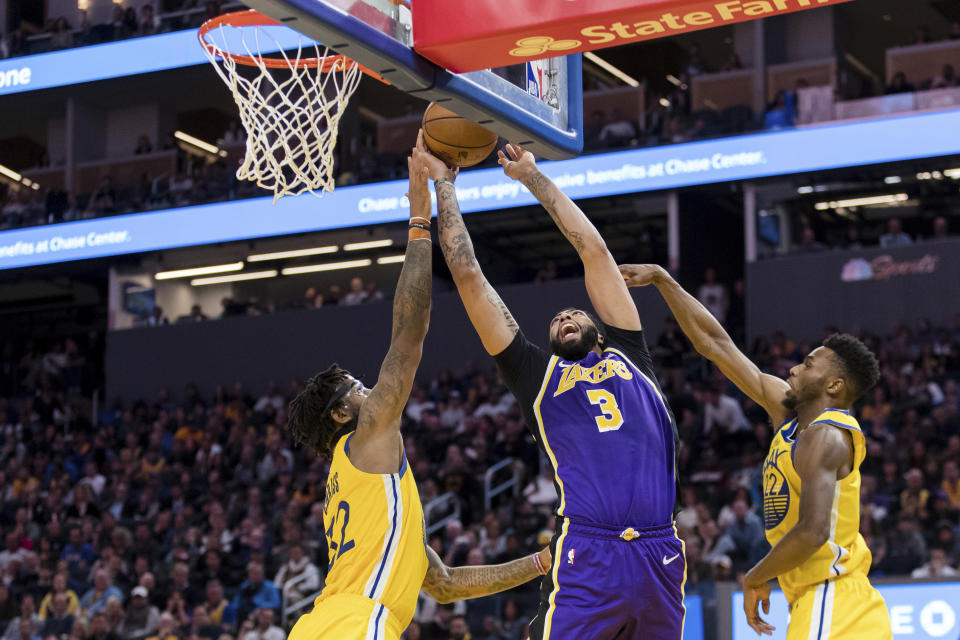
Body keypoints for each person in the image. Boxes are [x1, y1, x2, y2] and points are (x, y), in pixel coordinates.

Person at [285, 132, 552, 640]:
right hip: (354, 625)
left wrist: (541, 561)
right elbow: (409, 335)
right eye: (358, 387)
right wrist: (417, 217)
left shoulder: (370, 488)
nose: (371, 390)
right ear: (341, 414)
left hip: (327, 624)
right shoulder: (364, 440)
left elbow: (446, 583)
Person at [426, 142, 683, 639]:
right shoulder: (534, 374)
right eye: (556, 318)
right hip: (588, 553)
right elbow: (468, 275)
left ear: (602, 330)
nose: (565, 316)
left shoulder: (630, 354)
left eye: (575, 313)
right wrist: (445, 185)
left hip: (660, 552)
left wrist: (531, 177)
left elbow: (595, 250)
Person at [618, 263, 891, 639]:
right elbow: (715, 344)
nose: (794, 368)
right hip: (822, 601)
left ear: (834, 385)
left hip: (834, 596)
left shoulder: (826, 437)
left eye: (808, 365)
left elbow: (813, 531)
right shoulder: (788, 415)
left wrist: (754, 576)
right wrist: (664, 280)